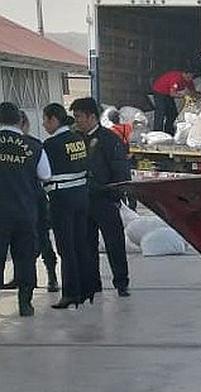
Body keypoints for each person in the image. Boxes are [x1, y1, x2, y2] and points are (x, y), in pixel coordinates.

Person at [70, 96, 132, 299]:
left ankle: (121, 283)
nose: (76, 120)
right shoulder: (74, 139)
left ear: (91, 116)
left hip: (105, 199)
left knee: (114, 244)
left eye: (78, 116)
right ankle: (92, 284)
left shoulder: (109, 139)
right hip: (83, 200)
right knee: (87, 245)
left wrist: (116, 195)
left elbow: (120, 169)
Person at [0, 101, 51, 317]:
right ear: (20, 121)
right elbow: (46, 175)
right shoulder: (34, 145)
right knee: (25, 258)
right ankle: (25, 304)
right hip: (25, 211)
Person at [42, 103, 90, 309]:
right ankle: (85, 288)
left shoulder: (51, 145)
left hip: (61, 199)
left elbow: (44, 174)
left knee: (66, 248)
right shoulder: (78, 139)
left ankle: (70, 293)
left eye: (45, 120)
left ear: (54, 119)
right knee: (80, 244)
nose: (44, 124)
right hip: (81, 196)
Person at [150, 70, 195, 136]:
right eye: (189, 77)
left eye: (192, 77)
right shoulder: (177, 79)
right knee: (161, 111)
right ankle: (157, 132)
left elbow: (193, 91)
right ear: (184, 74)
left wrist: (193, 96)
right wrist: (183, 96)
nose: (190, 79)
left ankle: (169, 132)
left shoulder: (189, 80)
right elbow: (172, 94)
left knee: (172, 113)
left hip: (168, 93)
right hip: (159, 90)